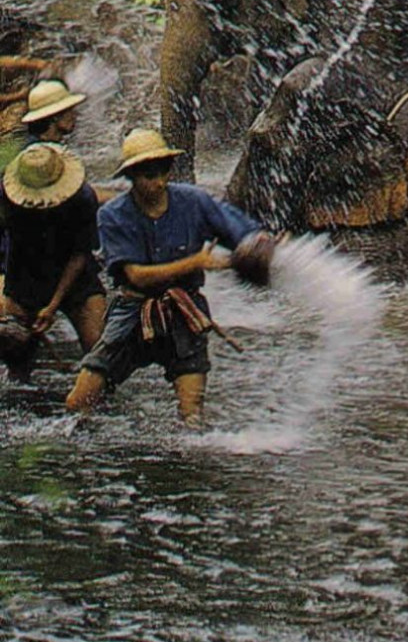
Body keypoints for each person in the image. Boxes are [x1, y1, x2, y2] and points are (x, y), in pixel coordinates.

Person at [66, 128, 265, 427]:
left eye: (164, 171)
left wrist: (262, 245)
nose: (159, 182)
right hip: (132, 313)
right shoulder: (113, 216)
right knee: (78, 402)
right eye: (149, 175)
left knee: (192, 416)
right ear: (131, 176)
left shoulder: (194, 201)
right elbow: (136, 276)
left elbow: (242, 233)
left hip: (184, 312)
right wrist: (195, 262)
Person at [0, 143, 106, 381]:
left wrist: (53, 304)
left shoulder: (83, 198)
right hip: (24, 275)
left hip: (75, 276)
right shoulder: (5, 195)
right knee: (14, 348)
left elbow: (80, 254)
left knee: (99, 352)